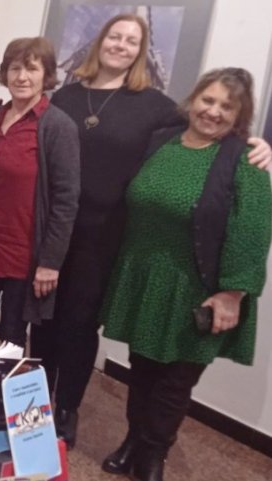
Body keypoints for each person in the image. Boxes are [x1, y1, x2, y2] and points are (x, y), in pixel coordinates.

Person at [0, 14, 272, 448]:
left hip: (104, 238)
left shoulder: (157, 107)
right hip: (51, 230)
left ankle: (67, 410)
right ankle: (34, 408)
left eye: (132, 41)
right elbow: (23, 122)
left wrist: (256, 143)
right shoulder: (65, 97)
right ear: (101, 41)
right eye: (114, 36)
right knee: (42, 322)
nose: (120, 45)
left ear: (141, 51)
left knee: (80, 325)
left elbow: (205, 130)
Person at [99, 68, 271, 481]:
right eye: (208, 100)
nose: (213, 111)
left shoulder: (244, 160)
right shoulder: (163, 141)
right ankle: (133, 439)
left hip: (198, 289)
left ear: (239, 115)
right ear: (193, 100)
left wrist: (233, 294)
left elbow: (252, 231)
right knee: (142, 369)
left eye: (227, 107)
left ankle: (153, 454)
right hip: (146, 279)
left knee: (175, 381)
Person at [0, 37, 80, 354]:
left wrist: (50, 263)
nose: (21, 77)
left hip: (23, 253)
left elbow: (66, 202)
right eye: (15, 68)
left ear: (47, 75)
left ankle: (4, 389)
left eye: (32, 69)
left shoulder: (57, 126)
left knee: (11, 336)